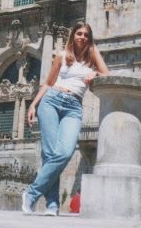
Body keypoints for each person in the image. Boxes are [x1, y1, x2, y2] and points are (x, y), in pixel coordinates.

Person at [22, 22, 108, 216]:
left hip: (74, 106)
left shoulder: (92, 56)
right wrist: (33, 104)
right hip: (52, 101)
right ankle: (52, 204)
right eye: (79, 33)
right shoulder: (62, 55)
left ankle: (31, 193)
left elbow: (106, 73)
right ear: (72, 36)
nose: (82, 37)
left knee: (65, 152)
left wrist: (94, 71)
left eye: (86, 34)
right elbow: (49, 82)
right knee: (50, 154)